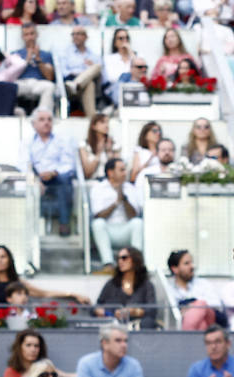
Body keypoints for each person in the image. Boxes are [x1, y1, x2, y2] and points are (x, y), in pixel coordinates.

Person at [22, 107, 77, 236]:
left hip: (57, 178)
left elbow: (69, 164)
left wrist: (53, 172)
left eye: (49, 120)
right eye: (42, 120)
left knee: (65, 180)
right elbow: (23, 164)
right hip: (36, 178)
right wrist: (35, 180)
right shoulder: (27, 142)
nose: (46, 122)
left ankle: (64, 223)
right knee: (26, 184)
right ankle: (31, 226)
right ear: (33, 124)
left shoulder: (62, 140)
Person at [90, 158, 144, 267]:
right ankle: (108, 263)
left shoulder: (130, 188)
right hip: (108, 230)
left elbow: (134, 215)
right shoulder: (98, 189)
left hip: (125, 229)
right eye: (122, 170)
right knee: (97, 224)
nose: (125, 173)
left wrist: (123, 199)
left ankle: (135, 263)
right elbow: (98, 215)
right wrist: (115, 203)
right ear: (110, 172)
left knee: (138, 223)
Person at [75, 323, 145, 377]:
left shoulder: (134, 365)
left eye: (126, 341)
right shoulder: (86, 363)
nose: (124, 345)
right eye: (118, 341)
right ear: (105, 344)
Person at [94, 246, 158, 328]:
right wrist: (108, 313)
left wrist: (133, 311)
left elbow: (152, 310)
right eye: (118, 258)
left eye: (124, 258)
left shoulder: (146, 285)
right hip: (114, 327)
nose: (120, 261)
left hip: (138, 328)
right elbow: (97, 306)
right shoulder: (111, 284)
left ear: (135, 260)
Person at [164, 249, 224, 331]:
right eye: (186, 263)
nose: (192, 266)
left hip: (211, 320)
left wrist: (191, 307)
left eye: (191, 262)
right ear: (175, 269)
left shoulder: (203, 284)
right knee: (202, 324)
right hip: (202, 328)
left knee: (201, 304)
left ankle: (186, 338)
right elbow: (171, 315)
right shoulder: (169, 290)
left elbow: (216, 304)